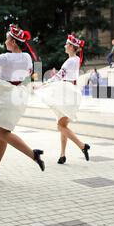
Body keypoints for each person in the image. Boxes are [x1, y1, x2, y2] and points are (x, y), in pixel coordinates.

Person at [0, 24, 44, 178]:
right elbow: (29, 73)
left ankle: (33, 154)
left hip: (4, 96)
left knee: (4, 132)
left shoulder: (5, 57)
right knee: (3, 131)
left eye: (7, 39)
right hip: (17, 95)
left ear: (13, 41)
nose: (5, 42)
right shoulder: (27, 57)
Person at [34, 34, 90, 164]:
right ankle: (62, 155)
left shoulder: (71, 60)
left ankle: (82, 146)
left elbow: (59, 75)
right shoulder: (74, 59)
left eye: (66, 44)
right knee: (63, 125)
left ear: (71, 46)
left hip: (66, 92)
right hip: (69, 91)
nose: (65, 46)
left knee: (60, 126)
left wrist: (43, 84)